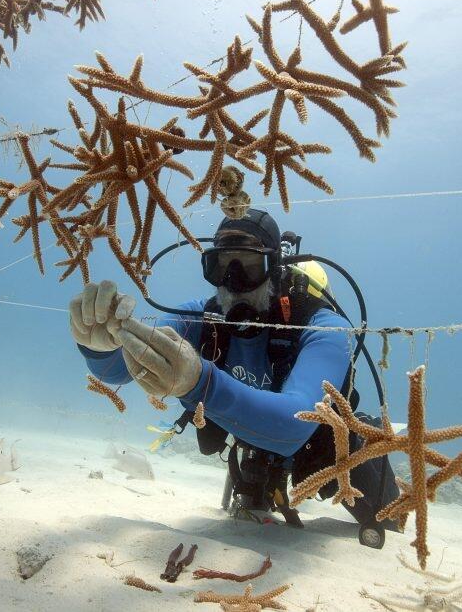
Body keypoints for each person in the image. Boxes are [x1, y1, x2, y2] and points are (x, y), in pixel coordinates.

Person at [71, 209, 400, 548]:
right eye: (222, 265)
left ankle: (374, 452)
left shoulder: (325, 327)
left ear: (274, 267)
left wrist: (201, 382)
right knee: (250, 506)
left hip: (328, 448)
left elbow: (296, 423)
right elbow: (116, 370)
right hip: (256, 443)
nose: (233, 279)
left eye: (249, 265)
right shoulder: (203, 315)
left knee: (387, 522)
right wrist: (98, 343)